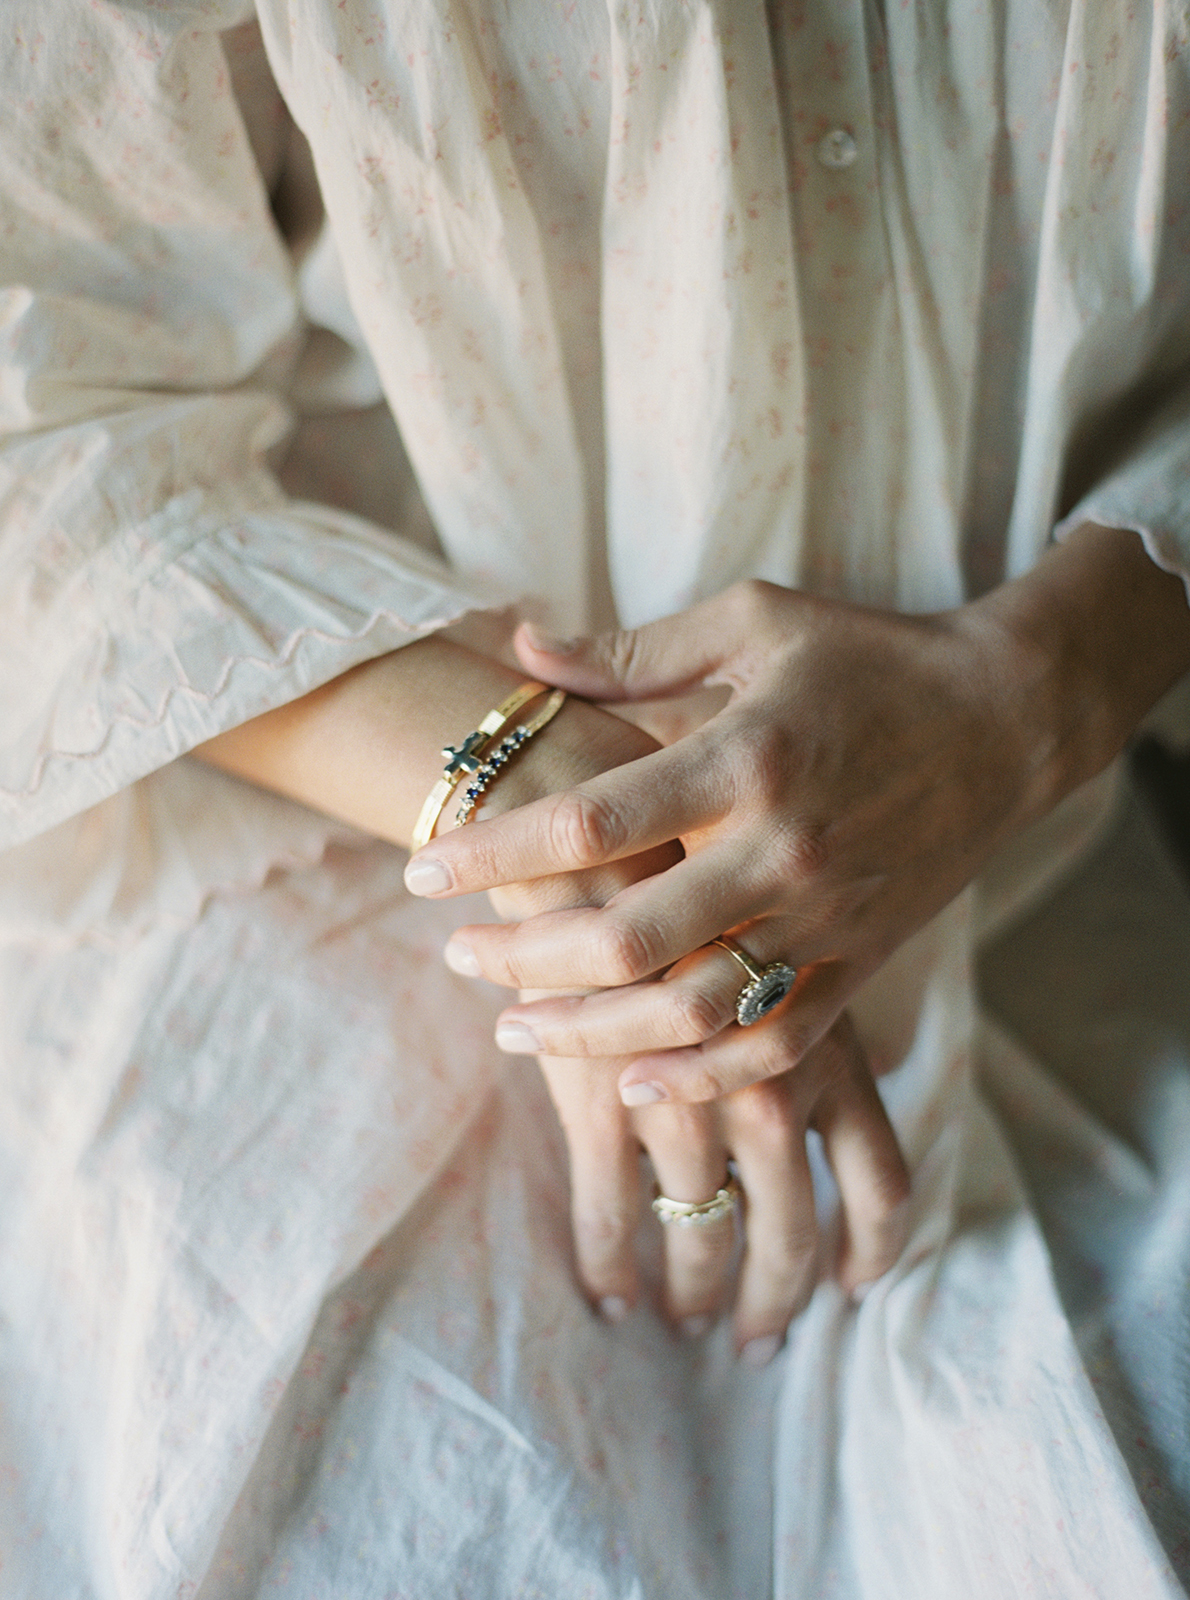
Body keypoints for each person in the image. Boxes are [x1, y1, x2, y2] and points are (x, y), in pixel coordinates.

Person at [2, 1, 1190, 1594]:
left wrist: (1035, 697)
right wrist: (550, 796)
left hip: (1070, 853)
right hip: (327, 817)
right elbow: (46, 396)